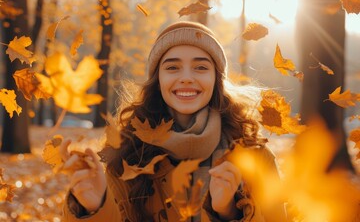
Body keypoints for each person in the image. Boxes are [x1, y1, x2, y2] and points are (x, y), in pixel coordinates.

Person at [61, 21, 287, 221]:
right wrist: (93, 208)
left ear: (216, 79)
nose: (187, 78)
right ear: (158, 80)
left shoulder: (255, 157)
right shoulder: (126, 155)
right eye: (172, 67)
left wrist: (228, 212)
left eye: (200, 67)